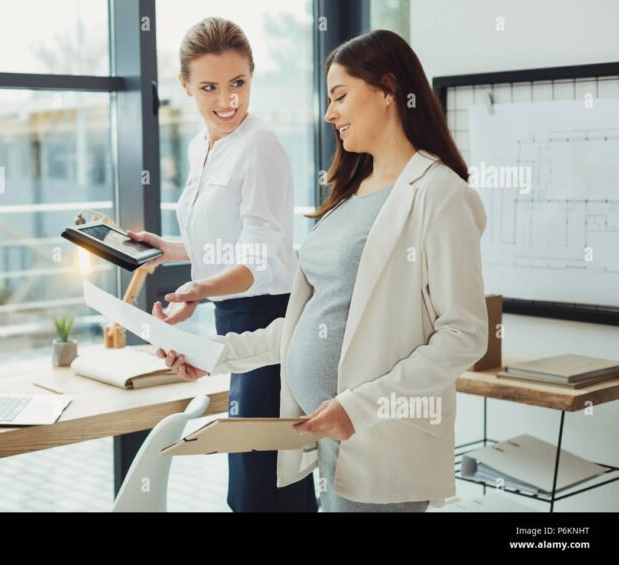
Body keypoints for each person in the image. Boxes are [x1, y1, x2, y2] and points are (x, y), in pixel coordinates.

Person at [157, 29, 489, 512]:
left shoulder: (440, 195)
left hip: (380, 441)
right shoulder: (350, 194)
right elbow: (305, 324)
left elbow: (463, 335)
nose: (330, 113)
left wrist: (357, 409)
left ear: (388, 90)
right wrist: (214, 354)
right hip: (326, 442)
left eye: (340, 96)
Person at [127, 17, 317, 513]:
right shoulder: (202, 147)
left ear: (252, 77)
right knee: (250, 481)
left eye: (238, 83)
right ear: (185, 87)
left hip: (269, 321)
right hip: (234, 317)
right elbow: (224, 237)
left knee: (266, 485)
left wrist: (200, 289)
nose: (227, 99)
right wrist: (167, 249)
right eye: (209, 86)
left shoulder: (261, 146)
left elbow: (258, 252)